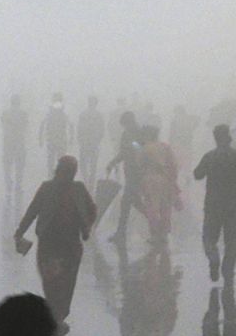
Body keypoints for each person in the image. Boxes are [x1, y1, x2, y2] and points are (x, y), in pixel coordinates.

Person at [14, 156, 96, 326]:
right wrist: (19, 232)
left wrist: (86, 227)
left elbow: (92, 209)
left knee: (68, 281)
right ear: (58, 171)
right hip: (49, 242)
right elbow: (32, 211)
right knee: (51, 281)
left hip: (71, 244)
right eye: (66, 172)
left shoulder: (79, 189)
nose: (68, 176)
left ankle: (60, 315)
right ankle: (55, 314)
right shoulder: (47, 188)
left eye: (71, 172)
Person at [193, 124, 236, 283]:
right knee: (232, 240)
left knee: (209, 238)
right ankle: (228, 269)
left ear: (215, 138)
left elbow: (197, 174)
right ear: (230, 138)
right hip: (234, 205)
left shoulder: (210, 156)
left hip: (213, 204)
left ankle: (213, 258)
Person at [136, 126, 180, 242]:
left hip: (150, 179)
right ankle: (164, 234)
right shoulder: (165, 147)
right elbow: (173, 165)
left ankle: (155, 234)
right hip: (166, 179)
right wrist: (173, 180)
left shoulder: (145, 148)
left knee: (152, 207)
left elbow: (139, 164)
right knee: (165, 207)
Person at [104, 111, 142, 243]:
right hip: (131, 172)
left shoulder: (136, 133)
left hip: (136, 173)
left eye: (125, 124)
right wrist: (113, 163)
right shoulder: (128, 133)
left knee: (126, 202)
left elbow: (140, 149)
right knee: (135, 202)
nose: (125, 127)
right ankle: (156, 224)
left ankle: (120, 232)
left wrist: (132, 145)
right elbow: (123, 152)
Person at [1, 94, 29, 195]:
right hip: (19, 142)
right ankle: (18, 184)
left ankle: (9, 182)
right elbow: (25, 126)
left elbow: (3, 125)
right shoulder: (23, 114)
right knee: (19, 165)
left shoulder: (5, 113)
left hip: (8, 142)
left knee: (7, 164)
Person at [38, 94, 72, 177]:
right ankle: (52, 176)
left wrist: (71, 137)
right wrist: (40, 138)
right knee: (51, 161)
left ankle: (59, 176)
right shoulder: (51, 114)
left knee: (60, 161)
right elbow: (42, 125)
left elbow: (70, 125)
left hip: (59, 140)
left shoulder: (60, 114)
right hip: (54, 140)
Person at [76, 96, 105, 186]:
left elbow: (79, 128)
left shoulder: (83, 114)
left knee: (83, 163)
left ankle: (86, 180)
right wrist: (98, 139)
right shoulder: (99, 115)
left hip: (85, 142)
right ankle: (91, 181)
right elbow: (102, 129)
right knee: (93, 164)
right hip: (93, 142)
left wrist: (80, 139)